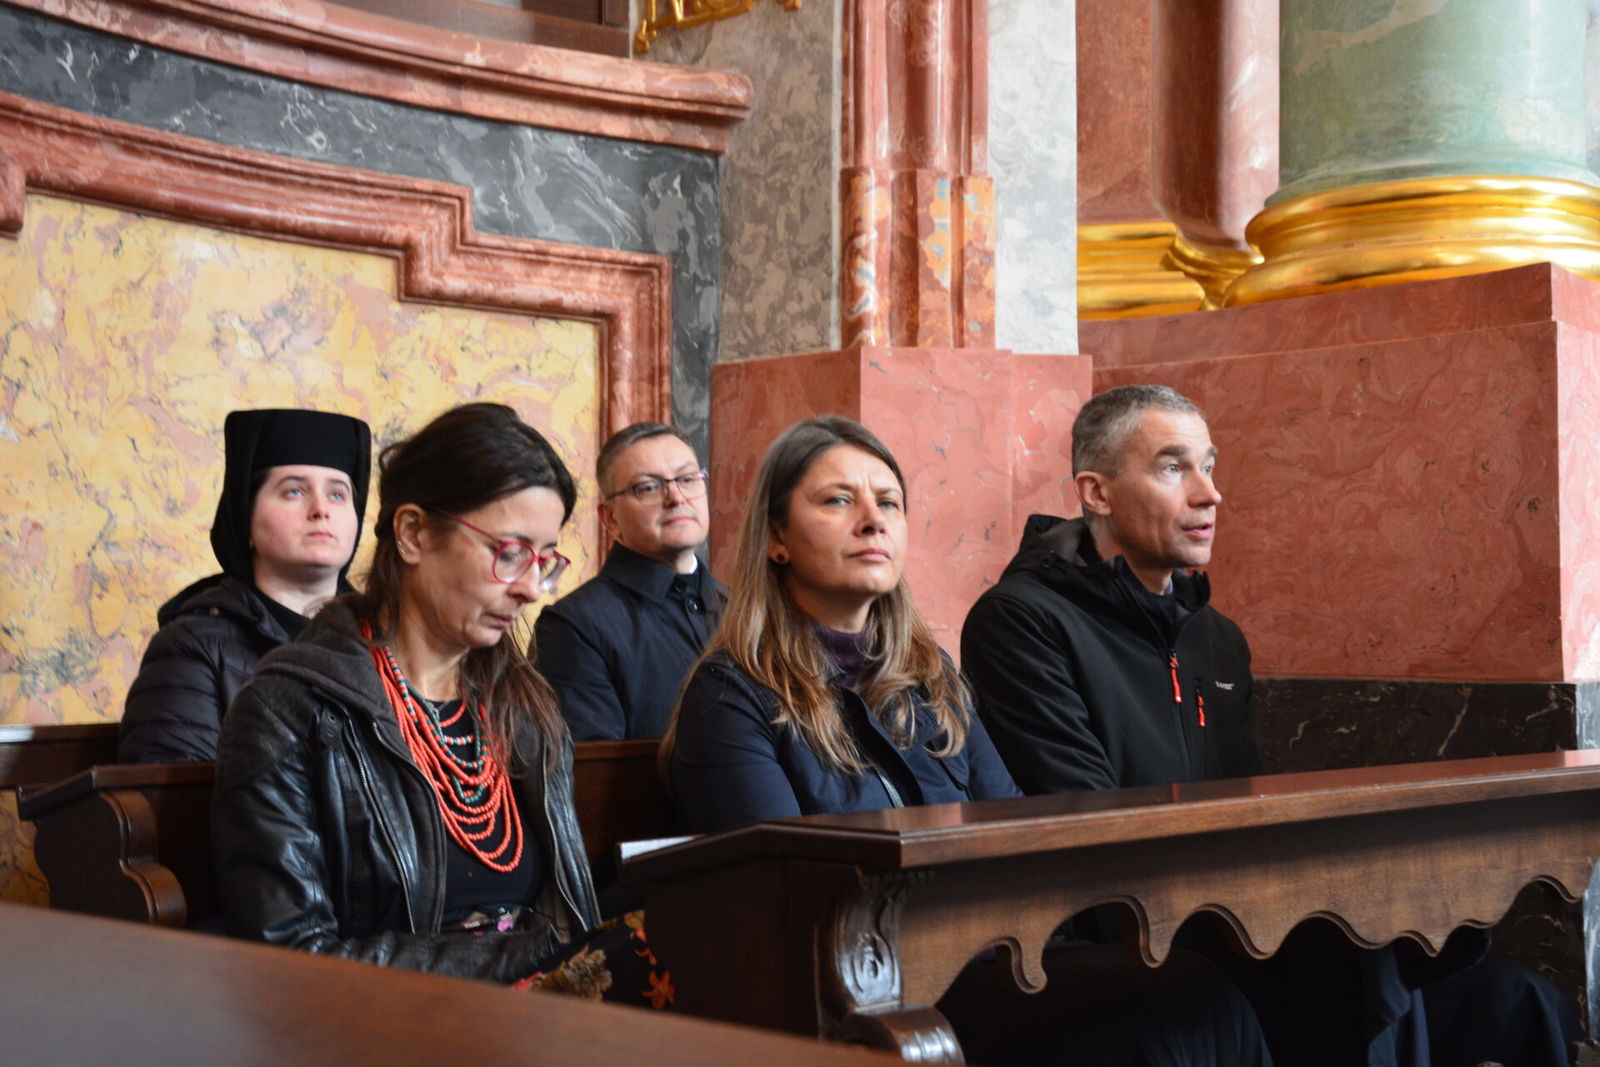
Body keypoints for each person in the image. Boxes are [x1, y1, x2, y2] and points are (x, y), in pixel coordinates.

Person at [960, 384, 1579, 1067]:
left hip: (1244, 916)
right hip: (1127, 928)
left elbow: (1254, 798)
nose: (1210, 493)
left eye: (1209, 465)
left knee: (1517, 996)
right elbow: (1088, 825)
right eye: (1174, 467)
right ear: (1096, 492)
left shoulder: (1216, 637)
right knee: (1355, 959)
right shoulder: (1021, 621)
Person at [665, 415, 1273, 1066]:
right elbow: (786, 902)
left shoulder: (932, 680)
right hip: (865, 994)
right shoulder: (732, 696)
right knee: (1158, 1020)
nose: (872, 521)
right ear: (777, 537)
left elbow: (1014, 839)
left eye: (889, 502)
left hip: (991, 962)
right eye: (838, 500)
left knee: (1202, 994)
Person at [211, 403, 665, 1002]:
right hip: (390, 1027)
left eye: (544, 560)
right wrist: (528, 957)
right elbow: (292, 958)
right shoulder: (290, 710)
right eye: (509, 553)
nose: (531, 588)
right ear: (413, 533)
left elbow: (567, 912)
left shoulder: (522, 704)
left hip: (543, 1016)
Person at [119, 408, 370, 763]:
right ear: (246, 518)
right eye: (294, 491)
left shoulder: (390, 639)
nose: (320, 510)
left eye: (337, 494)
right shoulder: (192, 648)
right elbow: (174, 792)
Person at [535, 423, 724, 740]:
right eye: (648, 487)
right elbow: (591, 766)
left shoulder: (743, 610)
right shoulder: (574, 625)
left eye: (688, 479)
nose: (676, 497)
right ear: (610, 518)